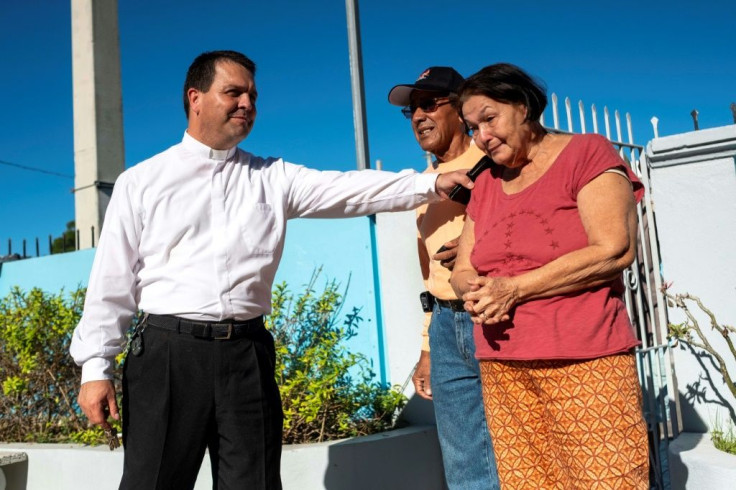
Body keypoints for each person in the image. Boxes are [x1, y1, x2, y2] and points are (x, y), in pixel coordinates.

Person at [69, 50, 473, 490]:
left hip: (247, 356)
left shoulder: (272, 177)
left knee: (255, 484)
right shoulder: (142, 182)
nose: (247, 103)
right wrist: (95, 368)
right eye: (234, 92)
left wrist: (428, 183)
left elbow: (348, 189)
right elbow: (111, 282)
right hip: (168, 355)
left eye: (253, 96)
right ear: (196, 98)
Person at [450, 63, 650, 489]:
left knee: (607, 480)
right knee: (530, 483)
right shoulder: (485, 182)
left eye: (489, 119)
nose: (482, 136)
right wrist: (474, 290)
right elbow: (463, 267)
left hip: (583, 355)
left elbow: (614, 247)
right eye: (472, 127)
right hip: (503, 362)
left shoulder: (586, 152)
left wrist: (514, 288)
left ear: (522, 106)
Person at [387, 67, 499, 490]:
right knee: (463, 459)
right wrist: (426, 348)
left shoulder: (495, 160)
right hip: (447, 331)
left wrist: (481, 247)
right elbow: (430, 278)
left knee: (517, 445)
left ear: (461, 106)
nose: (419, 115)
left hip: (495, 316)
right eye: (412, 109)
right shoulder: (425, 190)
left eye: (430, 102)